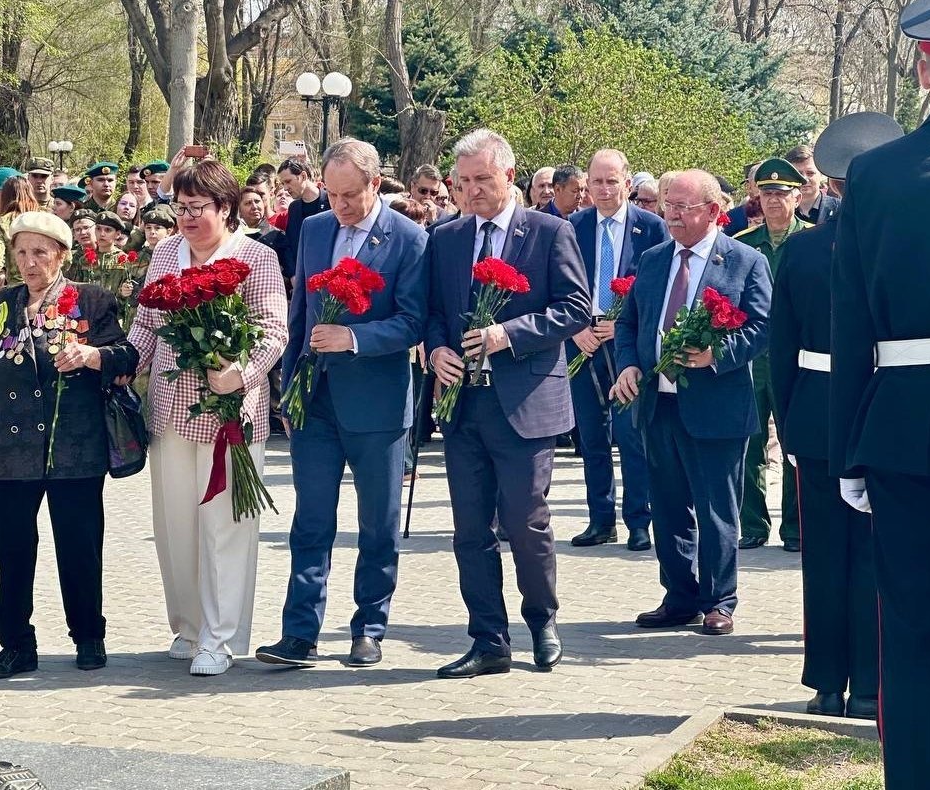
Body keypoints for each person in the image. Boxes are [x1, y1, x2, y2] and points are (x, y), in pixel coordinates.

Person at [829, 4, 930, 783]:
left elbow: (850, 323)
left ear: (922, 73)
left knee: (911, 635)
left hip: (899, 429)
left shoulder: (875, 174)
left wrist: (851, 446)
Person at [254, 138, 428, 670]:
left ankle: (369, 627)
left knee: (377, 522)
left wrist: (354, 339)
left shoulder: (409, 238)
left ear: (375, 184)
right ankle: (299, 632)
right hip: (316, 400)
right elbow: (302, 309)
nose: (340, 206)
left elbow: (413, 320)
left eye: (350, 195)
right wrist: (293, 384)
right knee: (310, 520)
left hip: (376, 402)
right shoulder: (314, 228)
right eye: (331, 194)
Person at [425, 129, 590, 678]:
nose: (471, 191)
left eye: (482, 180)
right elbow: (430, 311)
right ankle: (488, 639)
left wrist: (508, 334)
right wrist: (436, 350)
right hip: (463, 404)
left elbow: (575, 309)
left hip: (525, 403)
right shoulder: (446, 237)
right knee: (469, 528)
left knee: (525, 521)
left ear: (509, 177)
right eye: (463, 181)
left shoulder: (549, 231)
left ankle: (541, 619)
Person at [127, 159, 287, 676]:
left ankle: (220, 637)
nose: (187, 218)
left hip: (230, 413)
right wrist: (119, 368)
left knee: (225, 527)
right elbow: (148, 324)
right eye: (180, 208)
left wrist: (239, 372)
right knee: (175, 527)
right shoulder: (167, 252)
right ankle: (190, 626)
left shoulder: (255, 258)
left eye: (198, 208)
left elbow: (272, 329)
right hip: (172, 411)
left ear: (226, 208)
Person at [0, 211, 138, 679]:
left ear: (62, 255)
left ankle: (89, 636)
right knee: (14, 548)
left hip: (73, 446)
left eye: (39, 252)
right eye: (21, 252)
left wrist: (91, 356)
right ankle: (16, 645)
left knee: (79, 545)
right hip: (14, 448)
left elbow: (128, 354)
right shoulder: (2, 303)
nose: (29, 262)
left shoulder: (91, 300)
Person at [772, 112, 899, 722]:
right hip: (885, 410)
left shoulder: (801, 249)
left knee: (823, 556)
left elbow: (780, 352)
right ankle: (872, 685)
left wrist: (787, 420)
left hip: (817, 415)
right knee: (877, 554)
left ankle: (826, 681)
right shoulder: (901, 242)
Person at [610, 169, 771, 638]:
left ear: (713, 211)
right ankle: (679, 595)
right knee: (669, 505)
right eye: (667, 204)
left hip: (717, 406)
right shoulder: (655, 258)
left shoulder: (744, 260)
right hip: (658, 403)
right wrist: (628, 365)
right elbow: (628, 324)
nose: (672, 215)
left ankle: (718, 600)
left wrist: (715, 354)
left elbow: (762, 327)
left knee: (717, 507)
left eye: (683, 207)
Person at [565, 150, 668, 552]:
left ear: (627, 183)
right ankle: (600, 519)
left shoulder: (653, 228)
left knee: (631, 434)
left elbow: (660, 289)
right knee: (591, 436)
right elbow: (559, 286)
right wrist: (575, 329)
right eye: (597, 182)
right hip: (583, 340)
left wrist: (623, 324)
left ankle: (639, 521)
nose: (605, 190)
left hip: (628, 344)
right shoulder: (572, 227)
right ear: (586, 186)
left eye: (612, 181)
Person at [733, 158, 810, 551]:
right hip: (753, 359)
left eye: (782, 194)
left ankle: (796, 529)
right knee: (750, 444)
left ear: (798, 197)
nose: (774, 201)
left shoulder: (812, 240)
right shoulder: (744, 244)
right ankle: (753, 526)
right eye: (767, 194)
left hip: (798, 359)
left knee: (796, 443)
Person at [277, 158, 330, 282]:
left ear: (303, 176)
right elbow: (290, 244)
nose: (285, 188)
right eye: (283, 184)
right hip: (300, 280)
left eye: (288, 181)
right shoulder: (294, 208)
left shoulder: (331, 202)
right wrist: (293, 275)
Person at [786, 145, 840, 225]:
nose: (804, 179)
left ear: (821, 174)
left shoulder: (840, 209)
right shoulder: (781, 211)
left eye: (810, 173)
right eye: (798, 173)